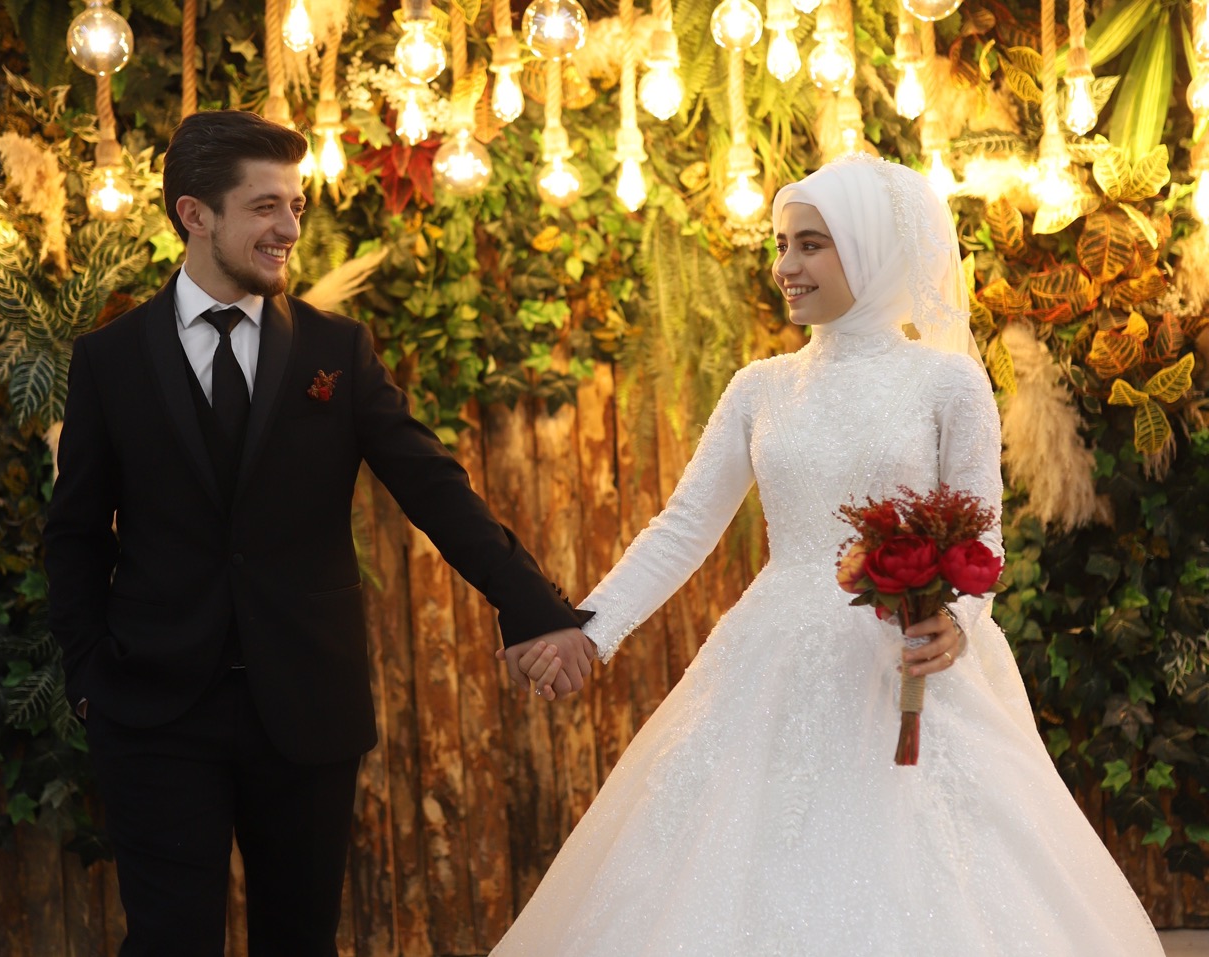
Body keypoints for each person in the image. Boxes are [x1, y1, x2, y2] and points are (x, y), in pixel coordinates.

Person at [494, 153, 1164, 955]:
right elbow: (682, 528)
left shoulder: (947, 383)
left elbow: (980, 536)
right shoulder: (759, 387)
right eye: (782, 245)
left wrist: (956, 620)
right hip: (769, 665)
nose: (786, 266)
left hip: (907, 663)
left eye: (811, 244)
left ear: (871, 248)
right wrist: (589, 630)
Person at [43, 108, 593, 957]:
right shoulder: (109, 359)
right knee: (168, 941)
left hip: (305, 704)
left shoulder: (338, 350)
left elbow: (433, 486)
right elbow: (77, 532)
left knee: (300, 941)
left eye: (294, 206)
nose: (290, 229)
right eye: (265, 207)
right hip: (153, 712)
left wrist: (533, 607)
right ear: (195, 214)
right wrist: (88, 676)